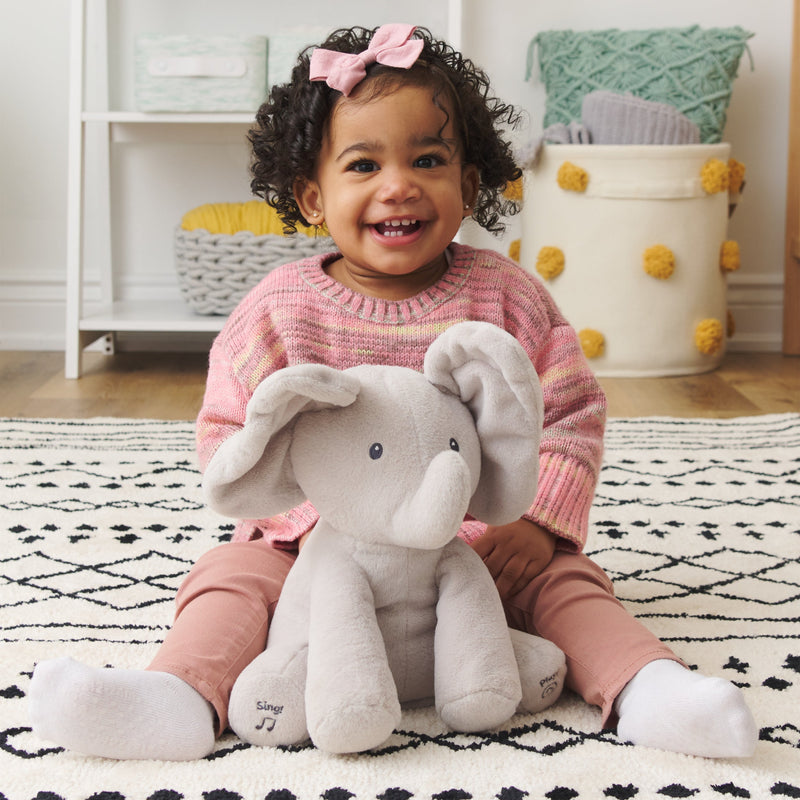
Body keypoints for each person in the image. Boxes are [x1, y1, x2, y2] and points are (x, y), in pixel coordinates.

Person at [29, 23, 757, 762]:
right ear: (313, 196)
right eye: (363, 163)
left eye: (428, 158)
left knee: (570, 584)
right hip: (315, 562)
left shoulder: (508, 299)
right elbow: (229, 434)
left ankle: (646, 688)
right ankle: (178, 695)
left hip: (472, 557)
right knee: (230, 576)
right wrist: (317, 521)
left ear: (469, 185)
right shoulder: (278, 310)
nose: (398, 184)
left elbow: (569, 414)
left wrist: (535, 524)